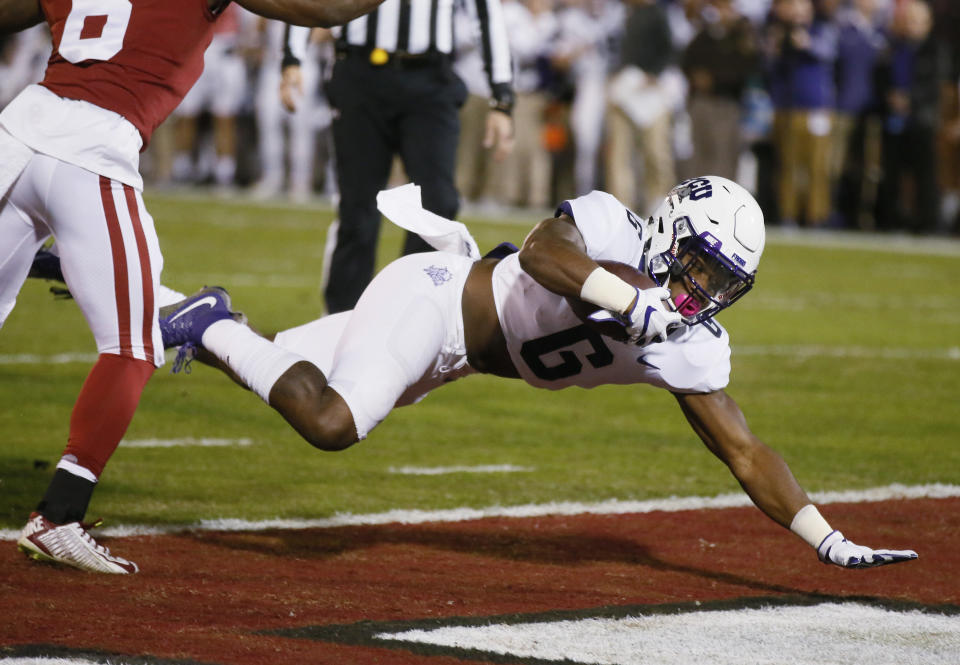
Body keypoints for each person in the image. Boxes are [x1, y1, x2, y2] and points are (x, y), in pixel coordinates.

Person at [157, 175, 918, 570]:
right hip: (436, 299)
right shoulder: (611, 223)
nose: (704, 294)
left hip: (458, 360)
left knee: (276, 359)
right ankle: (210, 317)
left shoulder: (690, 340)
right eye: (699, 269)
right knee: (332, 423)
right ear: (672, 232)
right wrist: (629, 298)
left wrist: (827, 538)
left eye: (723, 284)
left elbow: (744, 451)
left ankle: (167, 304)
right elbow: (539, 254)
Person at [0, 0, 392, 575]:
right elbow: (326, 9)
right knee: (133, 345)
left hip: (17, 131)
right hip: (90, 148)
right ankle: (59, 516)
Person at [280, 0, 515, 314]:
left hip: (430, 80)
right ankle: (339, 319)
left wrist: (502, 97)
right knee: (357, 210)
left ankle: (408, 313)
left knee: (438, 204)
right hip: (361, 73)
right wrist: (292, 58)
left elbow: (486, 14)